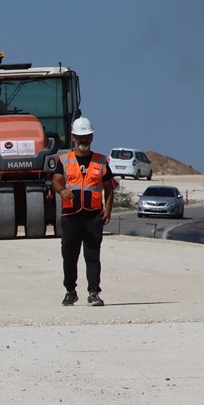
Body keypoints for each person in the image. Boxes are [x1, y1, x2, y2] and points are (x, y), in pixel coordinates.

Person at [51, 116, 116, 307]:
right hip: (70, 216)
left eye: (87, 137)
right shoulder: (64, 160)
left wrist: (108, 208)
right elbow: (55, 180)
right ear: (73, 137)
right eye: (80, 137)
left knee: (92, 255)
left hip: (93, 216)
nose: (83, 141)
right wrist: (62, 190)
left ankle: (94, 292)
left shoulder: (101, 161)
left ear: (92, 137)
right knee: (69, 255)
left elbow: (109, 187)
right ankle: (70, 291)